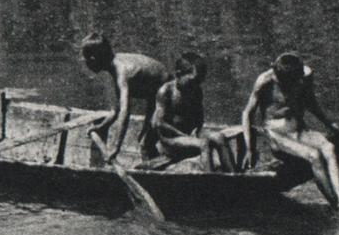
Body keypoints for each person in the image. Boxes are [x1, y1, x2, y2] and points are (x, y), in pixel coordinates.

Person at [241, 51, 339, 211]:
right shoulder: (264, 81)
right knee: (314, 156)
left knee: (329, 148)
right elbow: (247, 113)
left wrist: (331, 125)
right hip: (277, 134)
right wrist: (250, 148)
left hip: (299, 130)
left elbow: (311, 103)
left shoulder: (304, 74)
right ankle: (336, 207)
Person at [80, 33, 168, 162]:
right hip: (155, 93)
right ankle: (154, 168)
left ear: (93, 59)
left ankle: (155, 176)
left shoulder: (121, 72)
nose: (86, 64)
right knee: (145, 140)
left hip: (165, 94)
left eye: (86, 60)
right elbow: (116, 109)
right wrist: (103, 126)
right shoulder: (114, 64)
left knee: (145, 143)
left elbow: (125, 111)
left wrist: (115, 147)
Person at [153, 54, 237, 172]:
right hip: (170, 139)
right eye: (192, 80)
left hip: (190, 136)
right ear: (178, 75)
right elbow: (159, 123)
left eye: (198, 81)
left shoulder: (196, 90)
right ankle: (210, 182)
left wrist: (197, 130)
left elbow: (199, 115)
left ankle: (234, 178)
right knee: (204, 144)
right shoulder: (166, 91)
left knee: (219, 137)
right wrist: (182, 134)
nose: (195, 85)